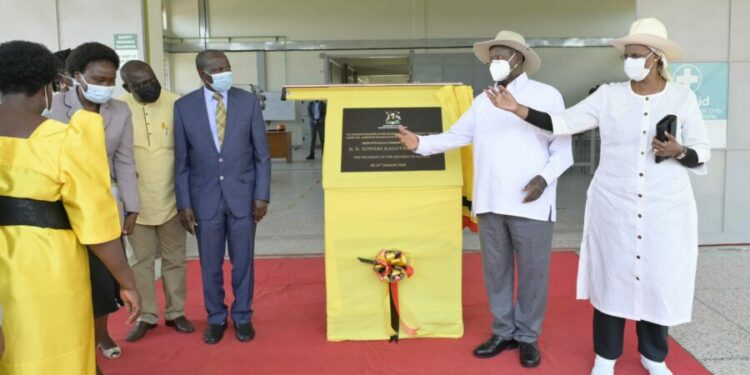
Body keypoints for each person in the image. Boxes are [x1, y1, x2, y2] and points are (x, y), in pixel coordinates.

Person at [484, 18, 710, 375]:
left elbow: (701, 151)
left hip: (665, 204)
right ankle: (606, 356)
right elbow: (561, 123)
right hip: (614, 203)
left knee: (657, 278)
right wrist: (518, 109)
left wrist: (679, 150)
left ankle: (654, 356)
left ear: (656, 58)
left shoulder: (683, 97)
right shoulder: (609, 95)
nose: (629, 61)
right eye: (626, 55)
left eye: (636, 55)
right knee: (612, 277)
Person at [397, 31, 573, 368]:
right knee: (496, 271)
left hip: (531, 202)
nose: (495, 61)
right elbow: (458, 135)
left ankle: (527, 336)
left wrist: (543, 178)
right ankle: (503, 331)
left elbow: (562, 150)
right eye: (492, 55)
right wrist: (420, 143)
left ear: (519, 58)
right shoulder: (483, 101)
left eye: (502, 54)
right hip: (491, 201)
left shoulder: (546, 95)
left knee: (534, 273)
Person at [0, 40, 140, 375]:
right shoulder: (64, 140)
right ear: (47, 88)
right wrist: (127, 281)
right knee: (50, 349)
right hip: (44, 266)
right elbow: (96, 225)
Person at [48, 42, 140, 362]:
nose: (105, 87)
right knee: (70, 280)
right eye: (98, 79)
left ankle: (101, 334)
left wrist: (132, 206)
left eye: (110, 81)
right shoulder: (54, 107)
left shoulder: (120, 110)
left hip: (101, 205)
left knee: (103, 279)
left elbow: (125, 162)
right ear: (77, 76)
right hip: (59, 207)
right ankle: (74, 344)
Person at [174, 49, 271, 344]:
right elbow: (181, 162)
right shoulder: (184, 107)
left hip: (243, 197)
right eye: (217, 68)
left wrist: (262, 195)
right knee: (210, 264)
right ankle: (215, 317)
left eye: (227, 66)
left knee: (243, 262)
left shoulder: (248, 102)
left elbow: (262, 155)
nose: (224, 72)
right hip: (204, 200)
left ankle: (243, 316)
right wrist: (184, 204)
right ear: (203, 74)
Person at [119, 60, 195, 342]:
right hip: (135, 204)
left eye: (151, 80)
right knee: (141, 262)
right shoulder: (116, 108)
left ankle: (176, 313)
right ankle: (146, 315)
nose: (149, 86)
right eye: (140, 85)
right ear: (127, 87)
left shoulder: (179, 104)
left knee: (175, 260)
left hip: (173, 200)